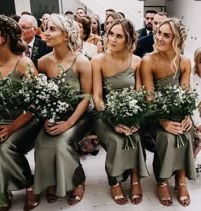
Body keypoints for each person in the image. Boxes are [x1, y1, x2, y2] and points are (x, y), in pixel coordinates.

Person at [0, 15, 42, 211]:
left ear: (3, 36)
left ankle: (30, 185)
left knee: (5, 146)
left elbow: (36, 105)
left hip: (26, 120)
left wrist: (11, 128)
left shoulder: (24, 63)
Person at [33, 14, 92, 206]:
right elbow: (40, 96)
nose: (46, 33)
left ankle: (78, 182)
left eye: (52, 29)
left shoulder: (81, 61)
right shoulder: (42, 62)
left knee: (62, 143)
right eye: (46, 28)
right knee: (42, 142)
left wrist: (68, 123)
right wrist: (46, 120)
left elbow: (86, 97)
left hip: (79, 117)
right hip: (52, 116)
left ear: (66, 35)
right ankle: (51, 182)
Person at [92, 18, 148, 205]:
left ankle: (135, 179)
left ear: (129, 40)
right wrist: (113, 120)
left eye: (119, 36)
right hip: (105, 114)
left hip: (132, 113)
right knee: (116, 140)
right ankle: (114, 182)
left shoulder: (137, 61)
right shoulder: (98, 60)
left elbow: (140, 95)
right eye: (111, 34)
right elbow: (98, 97)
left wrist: (136, 118)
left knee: (135, 137)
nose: (112, 39)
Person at [140, 18, 196, 207]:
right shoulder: (148, 60)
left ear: (177, 40)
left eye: (166, 35)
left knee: (187, 133)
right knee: (167, 136)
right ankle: (162, 181)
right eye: (158, 33)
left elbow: (185, 93)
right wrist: (163, 121)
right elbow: (149, 98)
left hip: (178, 112)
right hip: (154, 115)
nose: (159, 38)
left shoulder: (185, 62)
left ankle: (181, 181)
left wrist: (187, 116)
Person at [190, 47, 201, 158]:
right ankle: (190, 161)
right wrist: (198, 123)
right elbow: (192, 106)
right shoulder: (191, 79)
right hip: (192, 116)